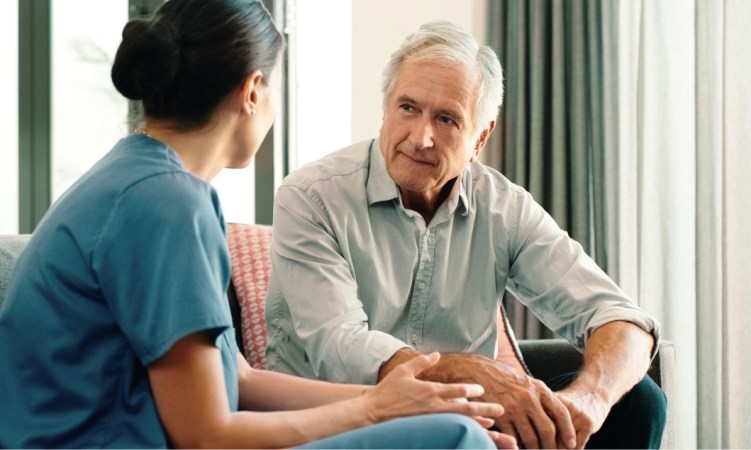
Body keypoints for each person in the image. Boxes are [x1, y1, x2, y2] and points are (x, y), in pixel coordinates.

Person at [0, 3, 517, 449]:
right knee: (461, 440)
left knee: (447, 427)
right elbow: (205, 435)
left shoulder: (140, 177)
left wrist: (393, 398)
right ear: (253, 91)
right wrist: (375, 412)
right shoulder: (166, 203)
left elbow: (237, 378)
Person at [265, 20, 667, 450]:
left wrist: (588, 400)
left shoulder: (505, 208)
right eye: (408, 108)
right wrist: (464, 371)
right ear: (385, 109)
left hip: (466, 421)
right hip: (341, 415)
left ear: (480, 137)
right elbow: (339, 348)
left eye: (447, 119)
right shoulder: (310, 196)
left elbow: (622, 320)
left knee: (639, 402)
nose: (421, 138)